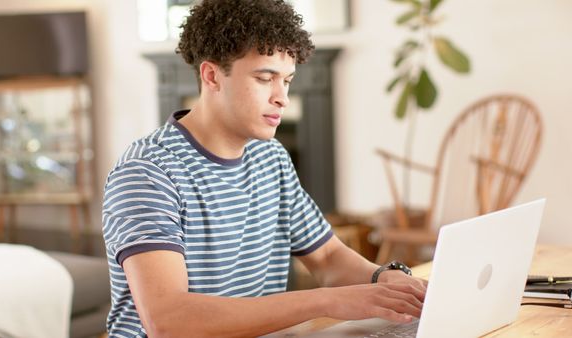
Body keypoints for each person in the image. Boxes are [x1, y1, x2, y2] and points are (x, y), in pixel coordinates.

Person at [102, 0, 427, 337]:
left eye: (286, 80)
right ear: (211, 75)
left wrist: (383, 278)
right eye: (264, 78)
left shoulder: (270, 157)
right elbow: (169, 321)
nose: (282, 98)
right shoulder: (147, 172)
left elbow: (328, 257)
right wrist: (324, 302)